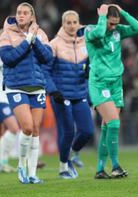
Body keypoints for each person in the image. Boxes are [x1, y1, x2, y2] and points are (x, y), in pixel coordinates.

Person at [84, 4, 138, 179]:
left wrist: (123, 12)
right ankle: (116, 165)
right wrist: (102, 18)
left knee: (107, 126)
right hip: (100, 83)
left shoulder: (117, 31)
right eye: (111, 23)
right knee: (114, 123)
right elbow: (99, 33)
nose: (113, 27)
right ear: (102, 18)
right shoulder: (91, 30)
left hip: (116, 84)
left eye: (116, 24)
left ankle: (100, 169)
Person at [0, 2, 52, 184]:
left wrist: (34, 39)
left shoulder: (41, 34)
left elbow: (47, 58)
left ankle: (32, 174)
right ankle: (21, 166)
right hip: (16, 85)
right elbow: (8, 58)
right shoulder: (7, 33)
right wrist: (27, 40)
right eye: (18, 12)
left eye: (25, 13)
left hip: (37, 85)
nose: (21, 15)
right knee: (27, 127)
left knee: (36, 130)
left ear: (32, 17)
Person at [44, 10, 94, 179]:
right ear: (63, 24)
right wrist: (53, 91)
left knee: (87, 131)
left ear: (78, 23)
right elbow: (45, 71)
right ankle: (63, 166)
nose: (72, 26)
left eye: (74, 22)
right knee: (67, 132)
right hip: (61, 95)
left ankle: (72, 154)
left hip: (80, 94)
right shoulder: (54, 44)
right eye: (68, 23)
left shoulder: (86, 43)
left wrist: (89, 82)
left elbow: (89, 68)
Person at [0, 29, 20, 173]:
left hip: (4, 97)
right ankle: (3, 162)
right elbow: (11, 65)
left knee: (1, 131)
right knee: (14, 128)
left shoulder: (3, 53)